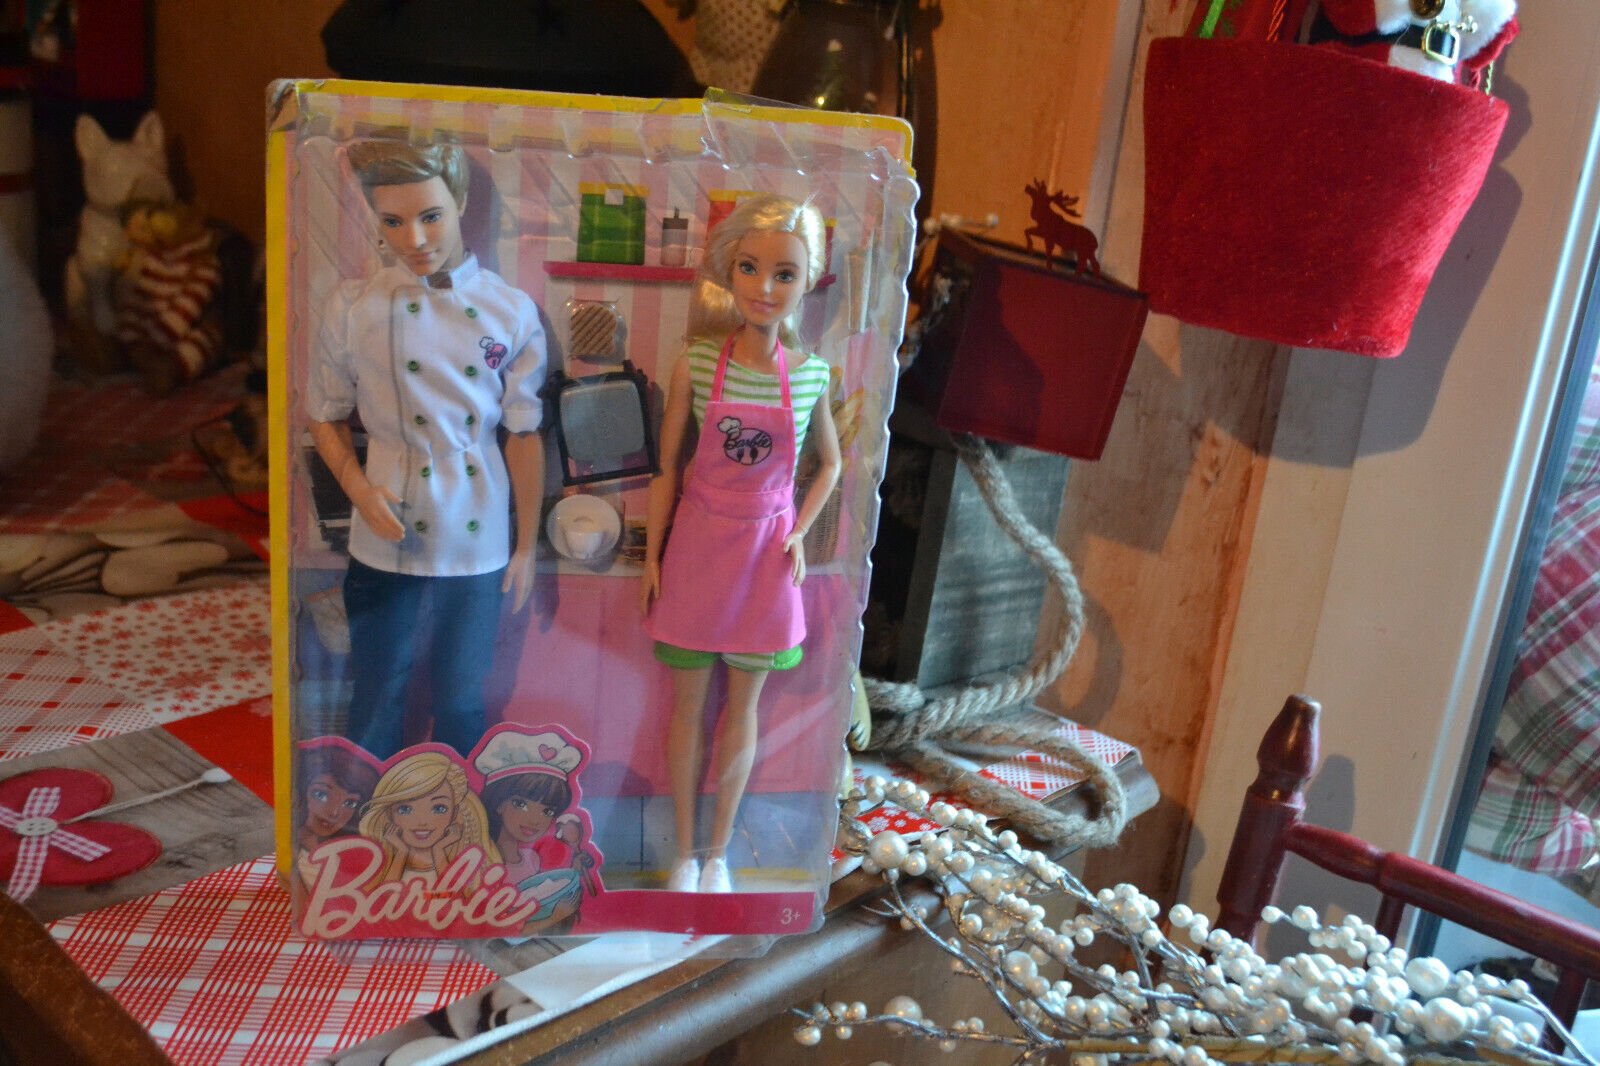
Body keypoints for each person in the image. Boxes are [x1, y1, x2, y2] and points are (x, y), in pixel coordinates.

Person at [305, 139, 547, 760]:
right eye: (392, 221)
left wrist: (525, 546)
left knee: (463, 697)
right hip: (385, 525)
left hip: (477, 532)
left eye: (430, 216)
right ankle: (366, 809)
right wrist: (360, 491)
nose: (413, 239)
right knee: (377, 689)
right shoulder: (354, 306)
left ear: (460, 202)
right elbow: (324, 416)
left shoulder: (509, 310)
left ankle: (461, 811)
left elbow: (523, 433)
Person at [639, 192, 842, 894]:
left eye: (785, 274)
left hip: (767, 555)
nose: (764, 287)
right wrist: (652, 556)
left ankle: (719, 855)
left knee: (743, 710)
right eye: (750, 268)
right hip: (697, 547)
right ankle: (684, 854)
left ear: (807, 282)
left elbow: (832, 464)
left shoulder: (810, 374)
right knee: (687, 709)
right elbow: (667, 467)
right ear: (728, 271)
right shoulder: (698, 362)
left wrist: (799, 530)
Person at [476, 727, 601, 931]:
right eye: (520, 804)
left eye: (547, 811)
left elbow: (541, 893)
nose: (535, 820)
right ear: (498, 803)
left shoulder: (531, 858)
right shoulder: (482, 863)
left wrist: (575, 870)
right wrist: (555, 917)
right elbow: (500, 927)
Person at [357, 750, 500, 887]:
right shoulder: (377, 863)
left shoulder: (467, 866)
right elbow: (384, 896)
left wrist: (439, 851)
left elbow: (454, 895)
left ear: (454, 812)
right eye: (405, 809)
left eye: (439, 808)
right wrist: (400, 853)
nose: (422, 822)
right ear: (389, 814)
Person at [294, 739, 381, 888]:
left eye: (350, 803)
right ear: (301, 792)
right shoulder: (291, 849)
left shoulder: (351, 853)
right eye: (321, 795)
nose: (334, 813)